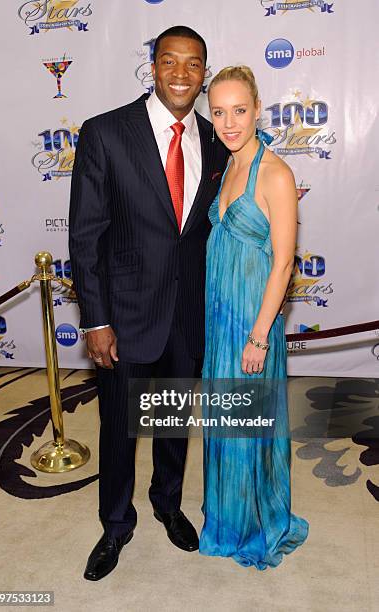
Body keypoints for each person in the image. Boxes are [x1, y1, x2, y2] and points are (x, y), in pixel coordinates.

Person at [68, 26, 228, 581]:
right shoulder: (106, 133)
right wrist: (97, 318)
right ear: (153, 67)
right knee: (119, 429)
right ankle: (115, 525)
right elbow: (85, 236)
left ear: (204, 73)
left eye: (193, 64)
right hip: (125, 315)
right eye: (170, 62)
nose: (181, 74)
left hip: (188, 316)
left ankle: (167, 502)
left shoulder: (213, 141)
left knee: (173, 423)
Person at [199, 66, 309, 568]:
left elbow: (283, 261)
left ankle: (253, 524)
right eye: (218, 112)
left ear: (258, 108)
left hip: (252, 324)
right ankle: (227, 515)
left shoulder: (275, 173)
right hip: (221, 321)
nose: (229, 122)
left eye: (239, 110)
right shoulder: (227, 167)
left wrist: (260, 336)